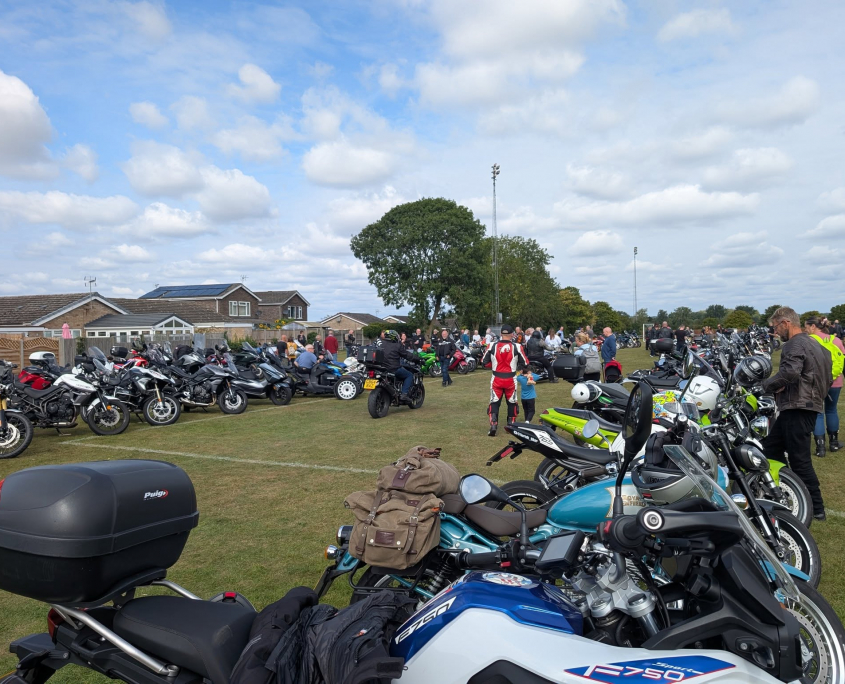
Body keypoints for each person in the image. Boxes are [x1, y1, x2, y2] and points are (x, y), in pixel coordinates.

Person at [761, 307, 832, 521]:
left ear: (786, 323)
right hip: (804, 405)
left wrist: (766, 385)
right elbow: (826, 376)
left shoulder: (794, 343)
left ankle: (816, 507)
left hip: (798, 407)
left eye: (776, 327)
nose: (775, 332)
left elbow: (790, 371)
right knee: (771, 449)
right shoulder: (817, 345)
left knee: (799, 459)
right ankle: (782, 490)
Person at [805, 316, 844, 456]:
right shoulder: (836, 340)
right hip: (835, 381)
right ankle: (834, 443)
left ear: (813, 326)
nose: (805, 329)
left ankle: (820, 448)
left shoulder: (809, 341)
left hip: (816, 382)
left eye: (806, 326)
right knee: (832, 410)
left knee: (818, 413)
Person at [481, 324, 529, 436]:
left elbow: (483, 362)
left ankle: (493, 425)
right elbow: (525, 363)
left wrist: (493, 364)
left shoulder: (492, 345)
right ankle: (511, 425)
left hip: (496, 378)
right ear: (512, 334)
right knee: (512, 401)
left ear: (500, 334)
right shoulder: (517, 346)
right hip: (510, 378)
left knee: (494, 401)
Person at [381, 329, 418, 402]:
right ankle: (404, 394)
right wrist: (417, 358)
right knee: (409, 375)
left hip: (383, 369)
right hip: (393, 368)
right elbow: (406, 355)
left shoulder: (381, 345)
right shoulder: (397, 345)